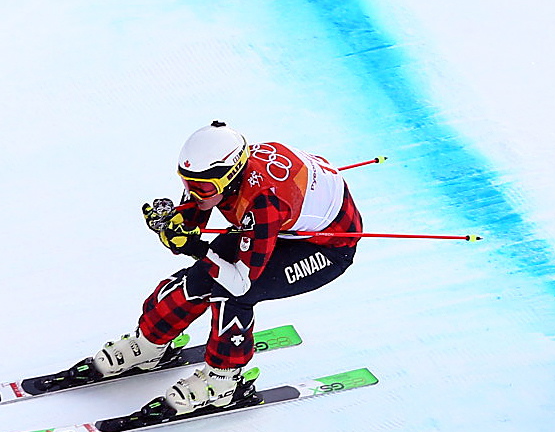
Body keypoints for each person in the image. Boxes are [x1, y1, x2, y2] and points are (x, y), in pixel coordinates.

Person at [91, 121, 362, 414]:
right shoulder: (213, 180)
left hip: (326, 247)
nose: (194, 193)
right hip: (282, 226)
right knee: (200, 277)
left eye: (202, 188)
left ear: (230, 176)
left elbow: (240, 282)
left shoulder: (262, 202)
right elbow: (193, 221)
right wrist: (171, 226)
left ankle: (223, 382)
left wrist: (195, 247)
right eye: (186, 183)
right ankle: (150, 345)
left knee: (232, 293)